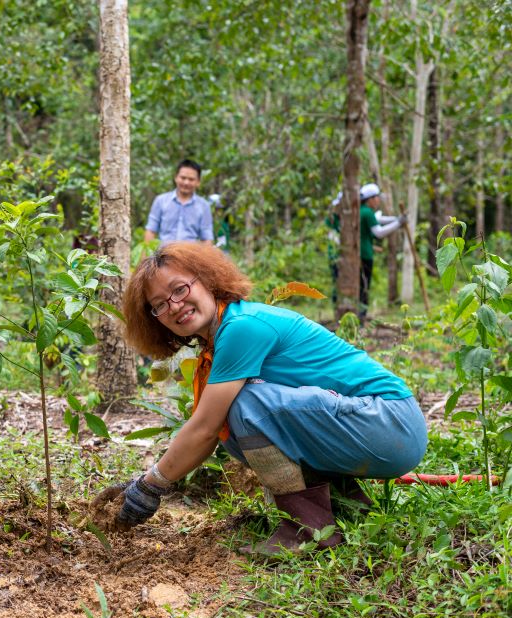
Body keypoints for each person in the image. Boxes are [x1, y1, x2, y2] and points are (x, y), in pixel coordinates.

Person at [103, 243, 426, 556]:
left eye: (179, 289)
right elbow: (208, 433)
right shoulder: (221, 336)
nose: (173, 306)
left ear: (208, 281)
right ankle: (341, 503)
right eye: (158, 304)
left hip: (391, 423)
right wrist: (148, 481)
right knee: (232, 427)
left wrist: (151, 485)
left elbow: (203, 426)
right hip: (375, 427)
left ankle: (306, 529)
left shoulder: (242, 327)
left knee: (245, 406)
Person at [358, 183, 403, 320]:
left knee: (361, 284)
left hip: (361, 253)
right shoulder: (367, 212)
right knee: (364, 286)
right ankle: (361, 315)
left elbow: (379, 220)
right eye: (376, 197)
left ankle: (360, 314)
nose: (378, 200)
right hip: (365, 254)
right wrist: (399, 223)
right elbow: (379, 232)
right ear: (370, 199)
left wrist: (397, 220)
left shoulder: (363, 211)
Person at [145, 160, 213, 244]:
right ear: (176, 177)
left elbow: (206, 238)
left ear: (198, 182)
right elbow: (151, 231)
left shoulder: (204, 206)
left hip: (190, 255)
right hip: (164, 254)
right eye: (183, 178)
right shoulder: (161, 201)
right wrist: (146, 256)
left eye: (191, 179)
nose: (186, 182)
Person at [325, 192, 342, 305]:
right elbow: (332, 237)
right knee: (337, 280)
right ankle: (336, 304)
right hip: (335, 255)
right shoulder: (331, 220)